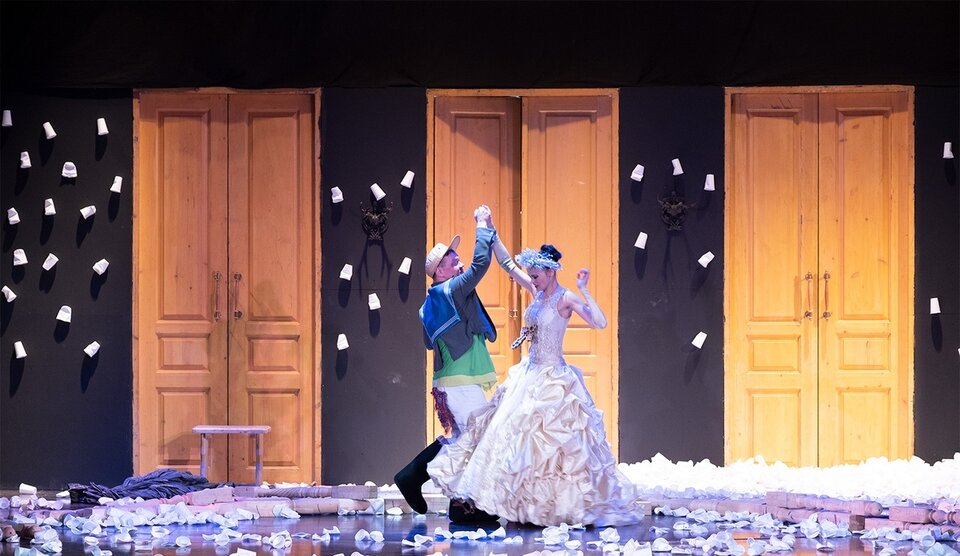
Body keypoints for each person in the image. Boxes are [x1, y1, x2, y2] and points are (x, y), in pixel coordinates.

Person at [426, 215, 642, 527]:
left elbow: (600, 322)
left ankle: (555, 507)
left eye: (537, 275)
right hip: (528, 375)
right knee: (514, 444)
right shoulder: (536, 292)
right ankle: (523, 507)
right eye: (531, 276)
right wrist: (491, 232)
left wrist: (584, 289)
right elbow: (507, 265)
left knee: (554, 447)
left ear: (551, 272)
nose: (533, 280)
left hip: (554, 379)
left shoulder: (565, 298)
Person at [394, 206, 499, 523]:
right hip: (459, 382)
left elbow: (431, 342)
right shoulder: (452, 290)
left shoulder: (433, 300)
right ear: (440, 270)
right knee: (476, 438)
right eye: (453, 260)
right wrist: (482, 226)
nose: (459, 261)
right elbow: (480, 265)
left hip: (452, 381)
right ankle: (418, 476)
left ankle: (459, 504)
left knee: (467, 439)